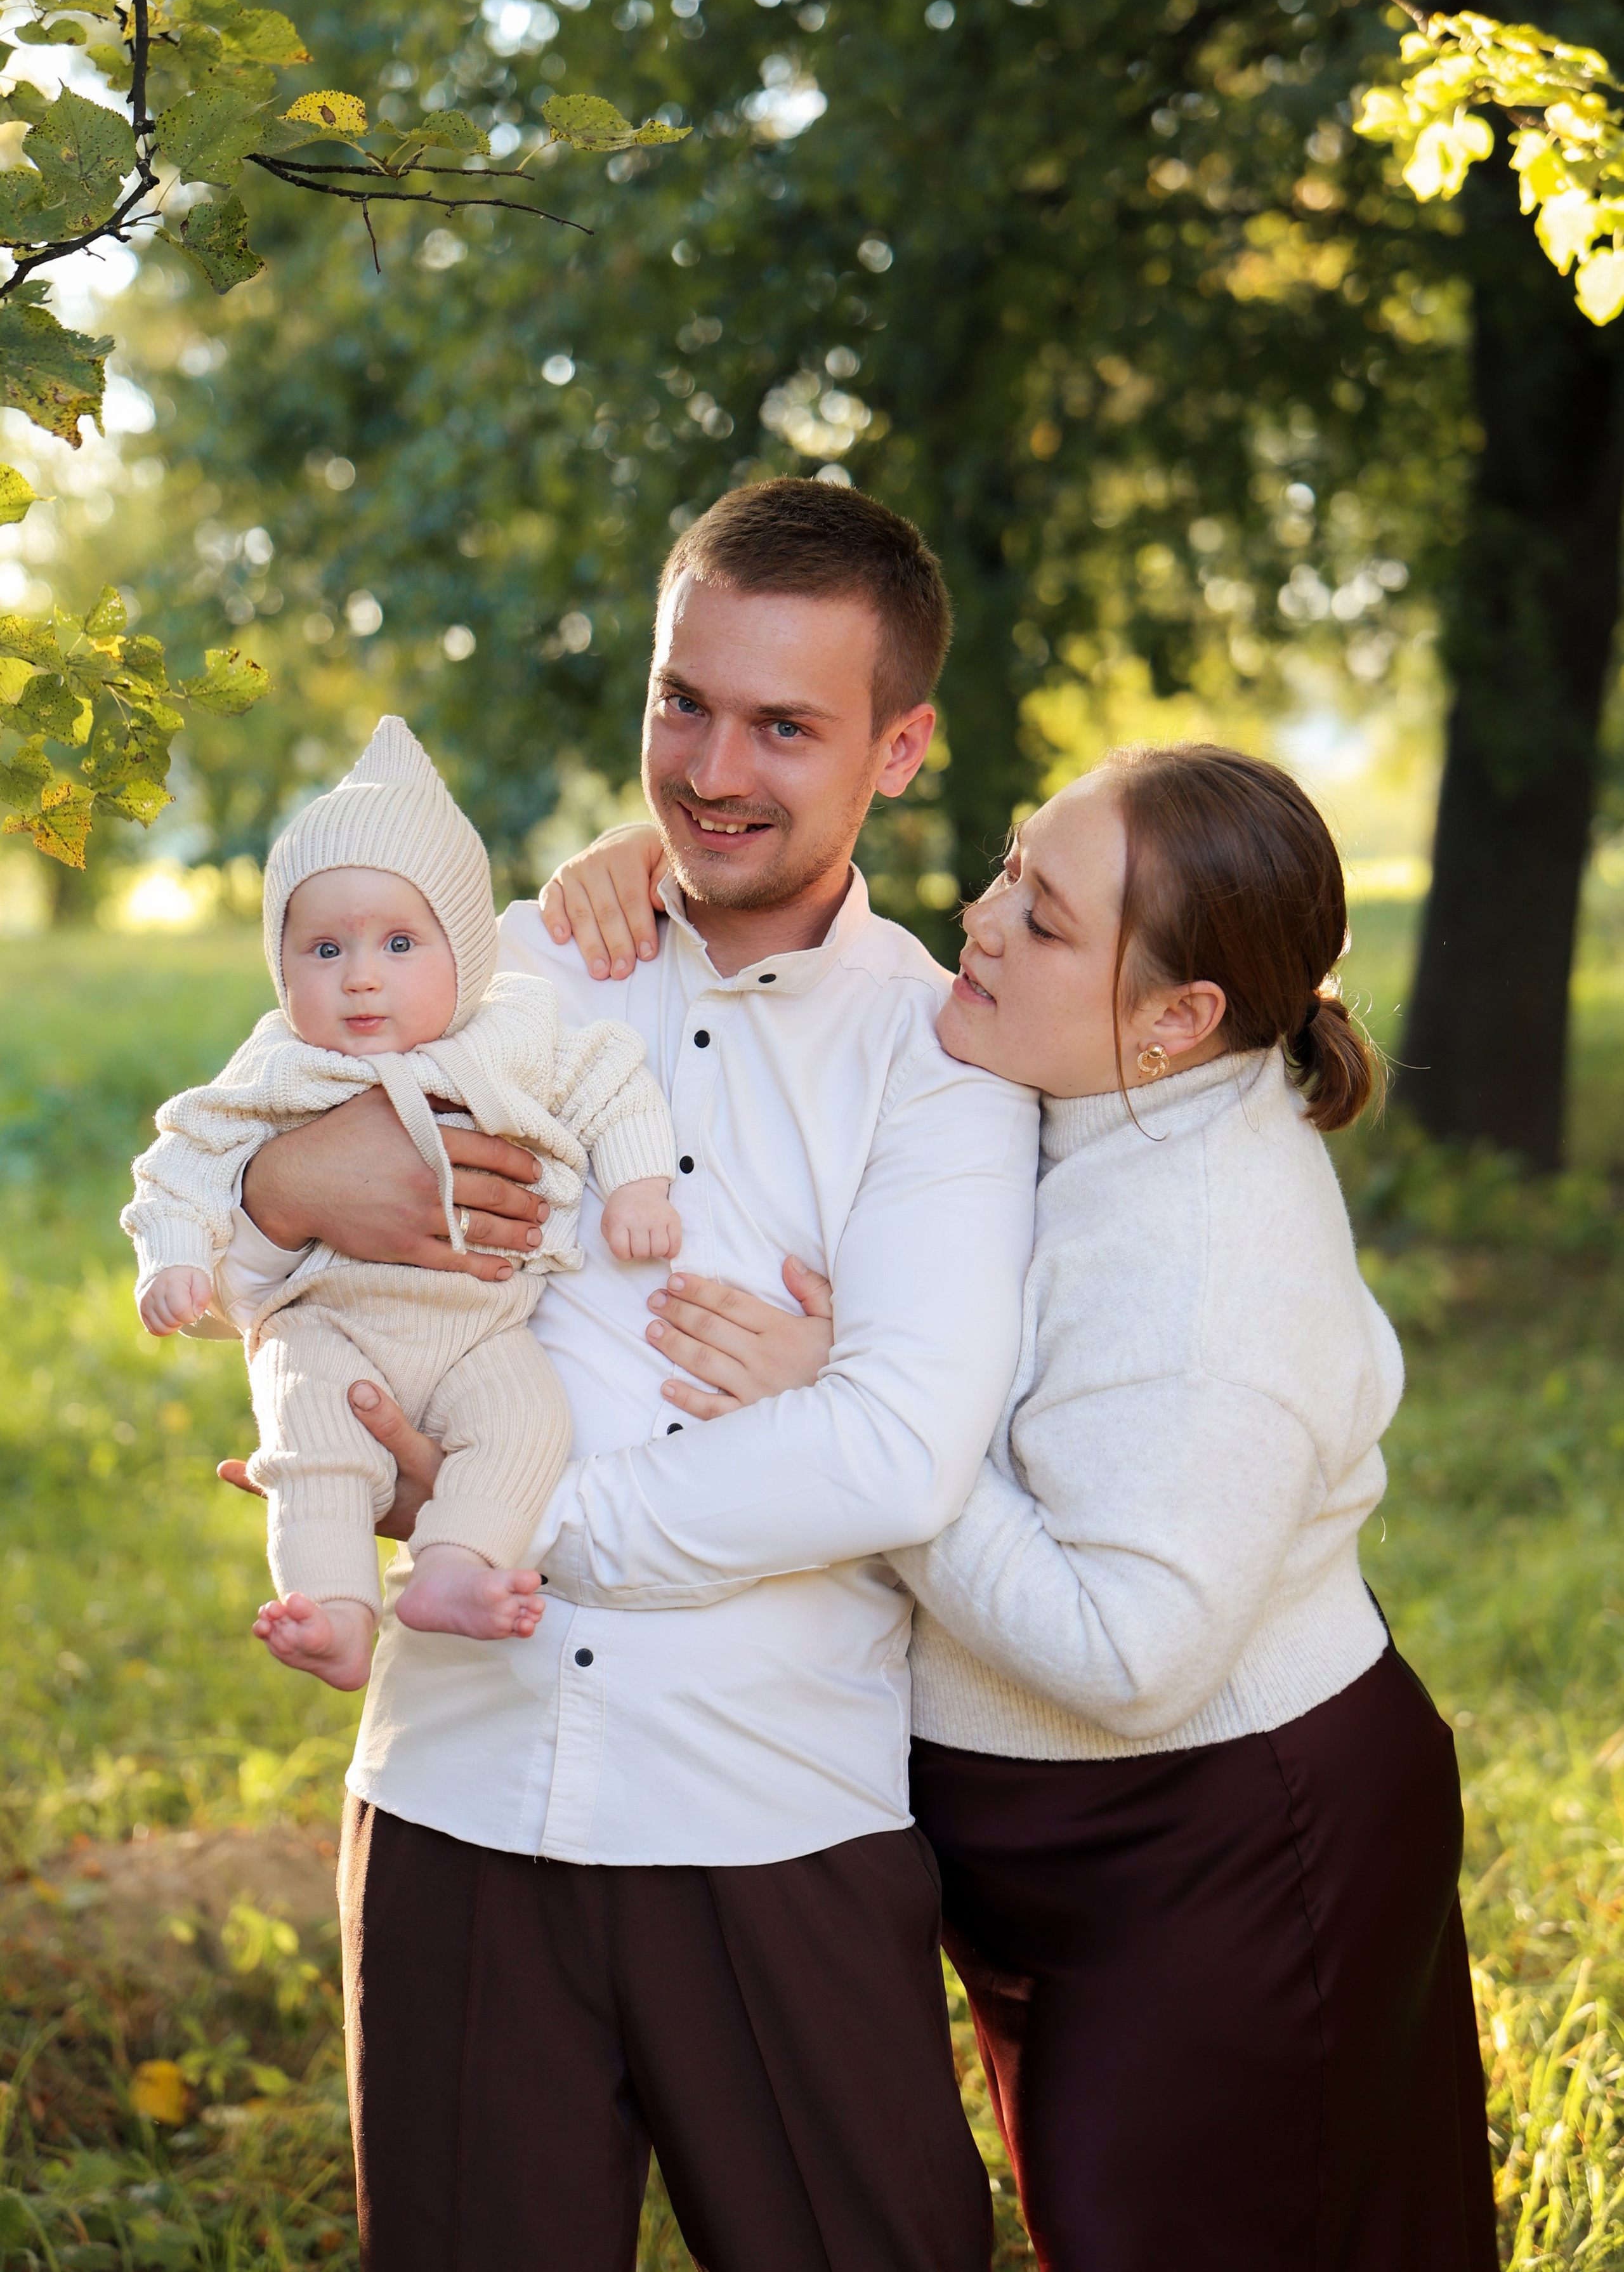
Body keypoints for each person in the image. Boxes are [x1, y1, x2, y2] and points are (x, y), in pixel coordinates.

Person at [210, 480, 1039, 2271]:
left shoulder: (946, 1057)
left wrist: (498, 1518)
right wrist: (285, 1191)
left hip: (770, 1811)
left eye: (785, 725)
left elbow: (889, 1457)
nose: (714, 766)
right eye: (684, 701)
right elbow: (240, 1232)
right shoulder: (497, 977)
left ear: (898, 750)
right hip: (455, 1785)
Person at [551, 741, 1498, 2272]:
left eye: (1043, 919)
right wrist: (643, 866)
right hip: (1083, 1857)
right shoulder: (1089, 1080)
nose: (984, 922)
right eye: (1007, 867)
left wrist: (854, 1419)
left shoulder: (1210, 1269)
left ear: (1177, 1017)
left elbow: (1130, 1654)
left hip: (1221, 1850)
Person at [126, 714, 679, 1691]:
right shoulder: (281, 1064)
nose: (363, 976)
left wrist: (638, 1177)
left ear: (465, 954)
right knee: (312, 1443)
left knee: (527, 1425)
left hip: (482, 1331)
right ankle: (334, 1610)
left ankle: (455, 1569)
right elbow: (187, 1158)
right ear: (280, 964)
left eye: (398, 942)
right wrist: (173, 1258)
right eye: (324, 950)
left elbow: (610, 1077)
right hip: (329, 1322)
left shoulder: (514, 1027)